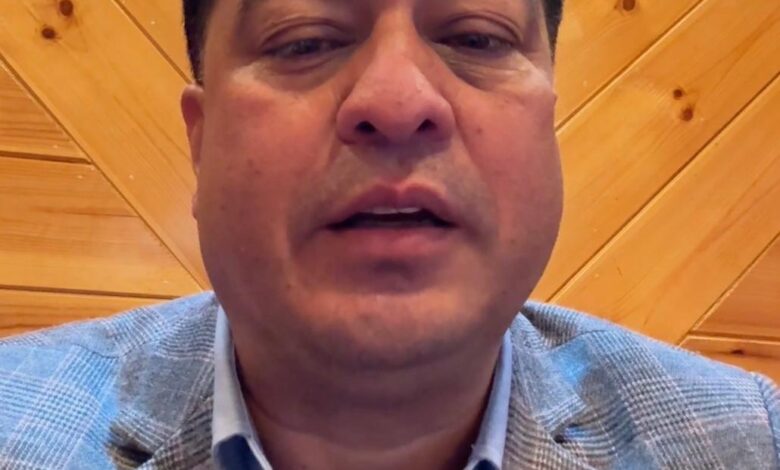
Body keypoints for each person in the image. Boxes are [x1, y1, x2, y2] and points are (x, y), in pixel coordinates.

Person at [0, 0, 778, 468]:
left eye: (476, 37)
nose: (399, 102)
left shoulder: (751, 441)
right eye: (305, 38)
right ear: (201, 145)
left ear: (548, 119)